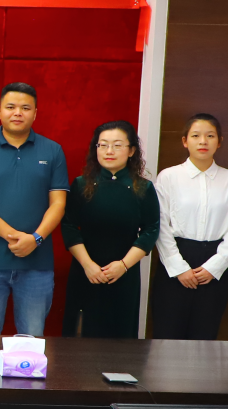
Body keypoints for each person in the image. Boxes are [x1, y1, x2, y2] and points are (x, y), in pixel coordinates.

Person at [0, 82, 68, 336]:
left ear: (35, 113)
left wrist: (36, 238)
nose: (17, 113)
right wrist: (13, 235)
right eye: (10, 107)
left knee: (32, 339)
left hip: (37, 263)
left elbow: (59, 203)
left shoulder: (52, 151)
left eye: (25, 108)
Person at [152, 113, 228, 340]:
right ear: (185, 141)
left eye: (210, 136)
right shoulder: (168, 177)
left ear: (219, 141)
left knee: (204, 337)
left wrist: (215, 267)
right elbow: (161, 225)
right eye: (195, 136)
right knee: (167, 335)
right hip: (175, 261)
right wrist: (178, 267)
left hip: (213, 265)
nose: (203, 141)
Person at [62, 121, 160, 339]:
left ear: (131, 150)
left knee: (120, 339)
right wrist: (88, 265)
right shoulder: (81, 185)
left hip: (124, 273)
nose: (109, 151)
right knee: (81, 339)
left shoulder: (143, 187)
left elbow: (151, 229)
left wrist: (123, 265)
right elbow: (69, 226)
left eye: (117, 145)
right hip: (86, 271)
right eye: (103, 145)